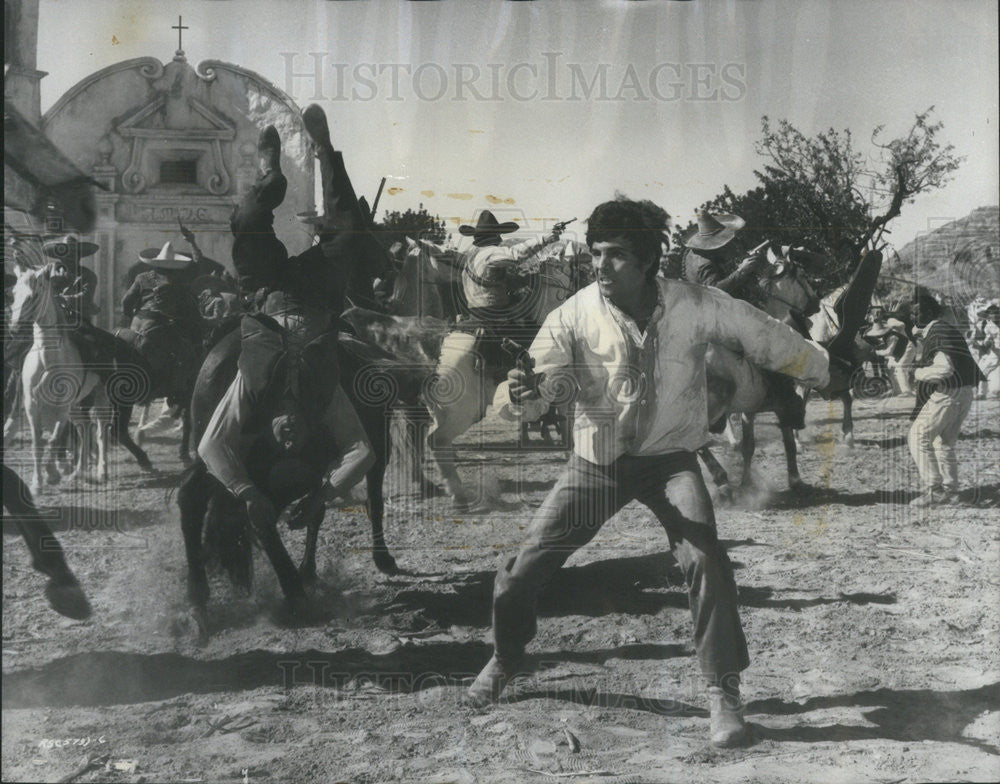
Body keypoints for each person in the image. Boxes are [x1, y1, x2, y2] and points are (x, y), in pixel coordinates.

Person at [467, 197, 831, 748]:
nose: (600, 266)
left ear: (647, 260)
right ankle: (506, 656)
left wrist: (822, 367)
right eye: (595, 254)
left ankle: (722, 693)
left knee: (705, 557)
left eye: (615, 255)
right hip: (597, 464)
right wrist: (522, 396)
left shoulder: (698, 303)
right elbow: (538, 388)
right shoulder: (572, 315)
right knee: (523, 569)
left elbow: (764, 334)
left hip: (670, 463)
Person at [681, 212, 806, 431]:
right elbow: (714, 291)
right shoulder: (705, 264)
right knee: (768, 344)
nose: (727, 246)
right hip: (719, 320)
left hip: (701, 319)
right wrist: (741, 271)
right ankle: (785, 399)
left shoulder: (691, 256)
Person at [457, 210, 563, 372]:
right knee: (535, 342)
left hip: (473, 315)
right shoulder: (490, 253)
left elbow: (493, 283)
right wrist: (546, 238)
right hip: (495, 318)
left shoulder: (470, 257)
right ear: (495, 236)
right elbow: (515, 254)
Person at [908, 287, 985, 507]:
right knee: (945, 443)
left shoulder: (937, 332)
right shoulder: (945, 329)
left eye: (917, 313)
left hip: (948, 392)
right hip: (965, 391)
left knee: (917, 436)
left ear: (930, 313)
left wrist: (917, 373)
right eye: (912, 314)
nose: (914, 317)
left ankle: (935, 490)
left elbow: (944, 370)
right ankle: (951, 492)